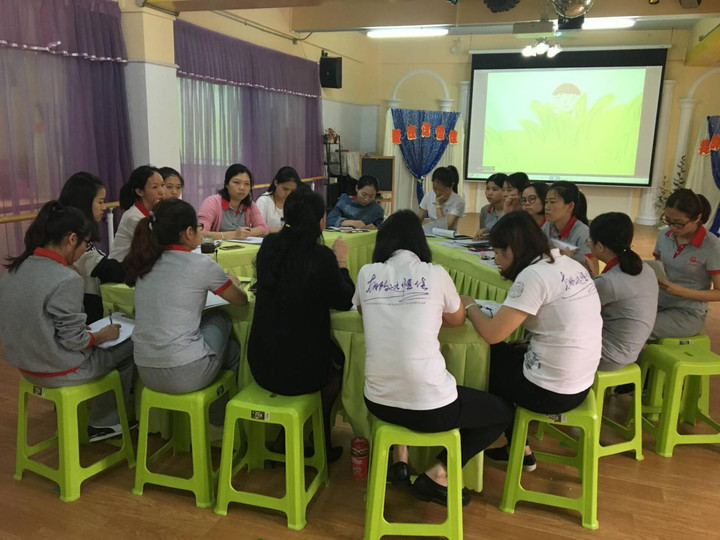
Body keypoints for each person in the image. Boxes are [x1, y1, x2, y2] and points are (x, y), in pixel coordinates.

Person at [355, 210, 512, 507]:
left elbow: (363, 311)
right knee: (502, 413)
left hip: (378, 402)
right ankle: (438, 473)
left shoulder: (367, 273)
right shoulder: (434, 273)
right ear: (419, 241)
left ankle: (400, 459)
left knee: (401, 378)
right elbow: (456, 320)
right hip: (430, 409)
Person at [459, 211, 602, 470]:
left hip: (549, 391)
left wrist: (469, 305)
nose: (496, 259)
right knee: (502, 358)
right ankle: (519, 447)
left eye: (498, 252)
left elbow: (492, 333)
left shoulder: (534, 275)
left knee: (483, 362)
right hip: (580, 382)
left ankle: (451, 462)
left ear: (513, 249)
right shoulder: (569, 264)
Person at [0, 201, 135, 442]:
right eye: (85, 244)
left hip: (26, 367)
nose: (84, 251)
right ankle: (105, 422)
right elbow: (75, 342)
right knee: (132, 345)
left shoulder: (14, 270)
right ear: (72, 239)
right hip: (60, 369)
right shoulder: (66, 278)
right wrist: (101, 335)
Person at [248, 187, 354, 463]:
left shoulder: (269, 247)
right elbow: (345, 299)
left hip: (260, 364)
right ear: (321, 221)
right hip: (301, 372)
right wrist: (342, 260)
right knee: (339, 361)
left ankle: (287, 437)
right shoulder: (322, 257)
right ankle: (320, 440)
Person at [124, 199, 248, 428]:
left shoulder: (146, 263)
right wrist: (234, 283)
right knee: (222, 321)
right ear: (188, 233)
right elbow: (241, 301)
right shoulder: (201, 264)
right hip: (187, 372)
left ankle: (187, 428)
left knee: (220, 342)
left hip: (145, 370)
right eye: (199, 227)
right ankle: (219, 425)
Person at [587, 213, 658, 371]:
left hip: (609, 356)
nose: (588, 244)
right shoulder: (645, 268)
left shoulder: (608, 282)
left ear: (599, 246)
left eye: (589, 241)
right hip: (631, 350)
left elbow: (577, 309)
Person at [651, 188, 720, 339]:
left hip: (687, 313)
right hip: (657, 302)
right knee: (617, 319)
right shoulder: (664, 235)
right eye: (668, 220)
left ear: (697, 218)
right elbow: (658, 268)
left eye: (679, 223)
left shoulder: (712, 245)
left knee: (636, 328)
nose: (672, 227)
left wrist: (681, 291)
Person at [59, 172, 125, 323]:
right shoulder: (72, 238)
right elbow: (106, 269)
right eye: (100, 202)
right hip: (82, 311)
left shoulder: (76, 232)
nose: (104, 207)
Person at [197, 163, 269, 240]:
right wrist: (234, 234)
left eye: (247, 184)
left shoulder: (250, 205)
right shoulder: (212, 203)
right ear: (226, 184)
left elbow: (264, 228)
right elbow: (200, 234)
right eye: (236, 182)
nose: (242, 187)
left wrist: (246, 233)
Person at [109, 165, 164, 262]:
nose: (161, 192)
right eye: (155, 187)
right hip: (121, 268)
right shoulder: (133, 217)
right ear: (140, 192)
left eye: (162, 185)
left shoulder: (151, 212)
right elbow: (156, 246)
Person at [542, 181, 596, 272]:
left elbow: (593, 271)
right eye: (546, 202)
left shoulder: (583, 233)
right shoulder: (547, 226)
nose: (547, 207)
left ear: (570, 206)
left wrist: (569, 260)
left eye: (552, 202)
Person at [418, 167, 466, 234]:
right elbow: (418, 220)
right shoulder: (429, 196)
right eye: (435, 188)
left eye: (441, 190)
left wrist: (438, 205)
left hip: (448, 236)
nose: (437, 193)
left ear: (451, 186)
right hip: (431, 234)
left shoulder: (458, 201)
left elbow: (444, 228)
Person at [256, 166, 302, 232]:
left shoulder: (296, 202)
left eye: (292, 191)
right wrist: (283, 230)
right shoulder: (263, 202)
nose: (288, 194)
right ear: (276, 183)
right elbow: (257, 230)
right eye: (285, 189)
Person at [473, 172, 506, 240]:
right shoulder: (485, 210)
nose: (489, 193)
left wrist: (489, 232)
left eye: (494, 189)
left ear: (504, 191)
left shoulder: (511, 211)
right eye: (487, 188)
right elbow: (482, 234)